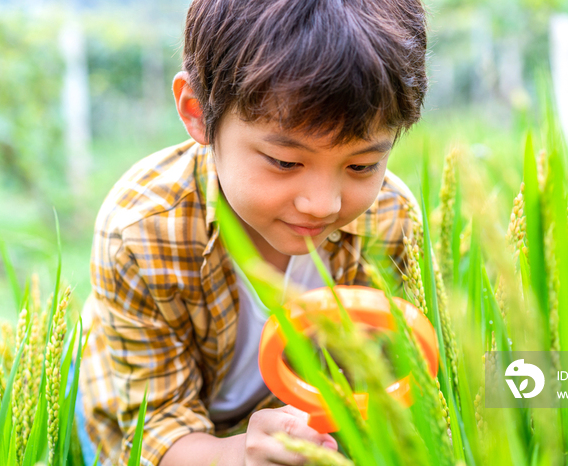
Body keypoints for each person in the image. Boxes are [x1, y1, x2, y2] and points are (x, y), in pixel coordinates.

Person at [77, 0, 428, 464]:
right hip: (141, 416)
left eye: (362, 165)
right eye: (285, 162)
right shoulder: (140, 233)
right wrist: (241, 455)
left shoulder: (390, 218)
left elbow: (393, 381)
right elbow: (156, 430)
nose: (323, 204)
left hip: (287, 418)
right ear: (198, 113)